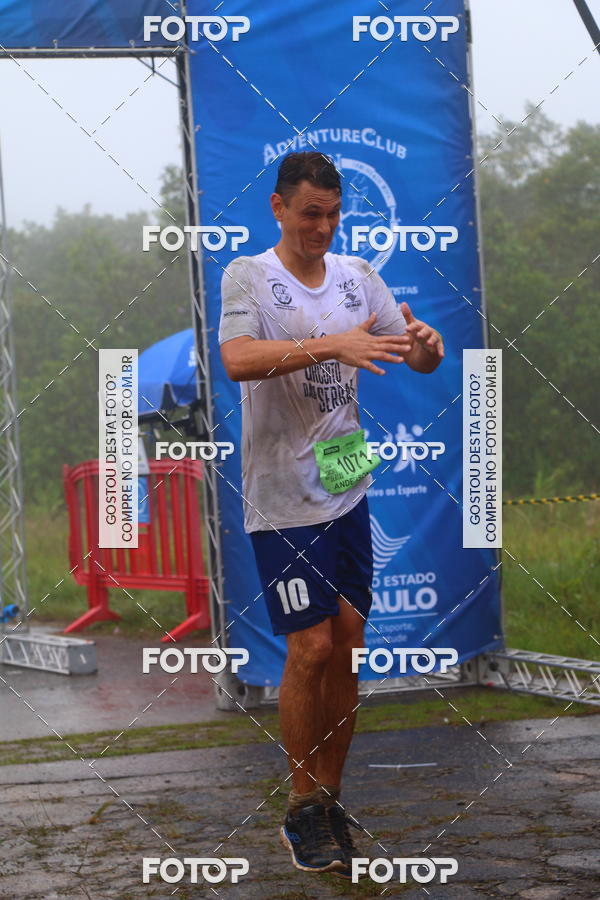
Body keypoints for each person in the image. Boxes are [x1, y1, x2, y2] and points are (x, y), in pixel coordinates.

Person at [219, 151, 444, 876]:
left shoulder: (358, 278)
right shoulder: (249, 276)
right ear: (279, 209)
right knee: (309, 648)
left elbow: (412, 352)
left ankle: (329, 799)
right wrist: (329, 343)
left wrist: (426, 349)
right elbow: (238, 360)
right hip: (280, 494)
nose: (322, 227)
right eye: (309, 213)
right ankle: (297, 806)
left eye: (333, 214)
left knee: (346, 639)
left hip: (346, 481)